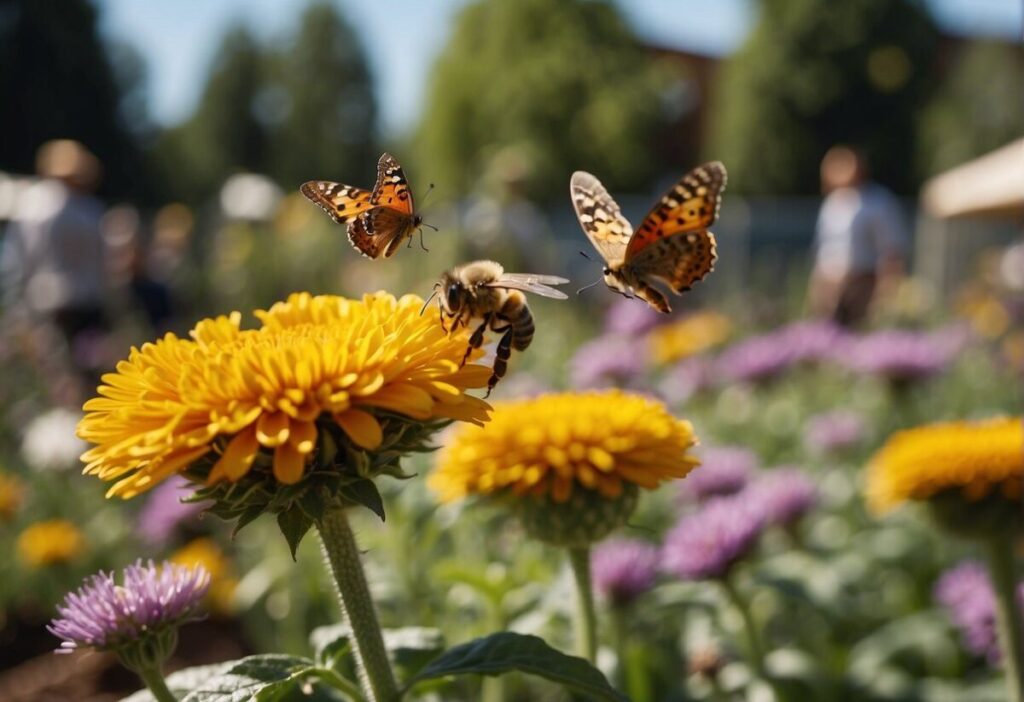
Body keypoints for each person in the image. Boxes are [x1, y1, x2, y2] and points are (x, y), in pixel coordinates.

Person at [1, 140, 110, 376]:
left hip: (47, 301)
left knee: (55, 375)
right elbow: (102, 263)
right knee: (90, 374)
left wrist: (18, 303)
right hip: (88, 301)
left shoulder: (30, 206)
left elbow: (19, 259)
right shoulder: (91, 210)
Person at [808, 146, 908, 327]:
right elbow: (823, 247)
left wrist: (886, 289)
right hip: (830, 283)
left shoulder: (878, 202)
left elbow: (891, 249)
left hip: (862, 282)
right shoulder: (832, 203)